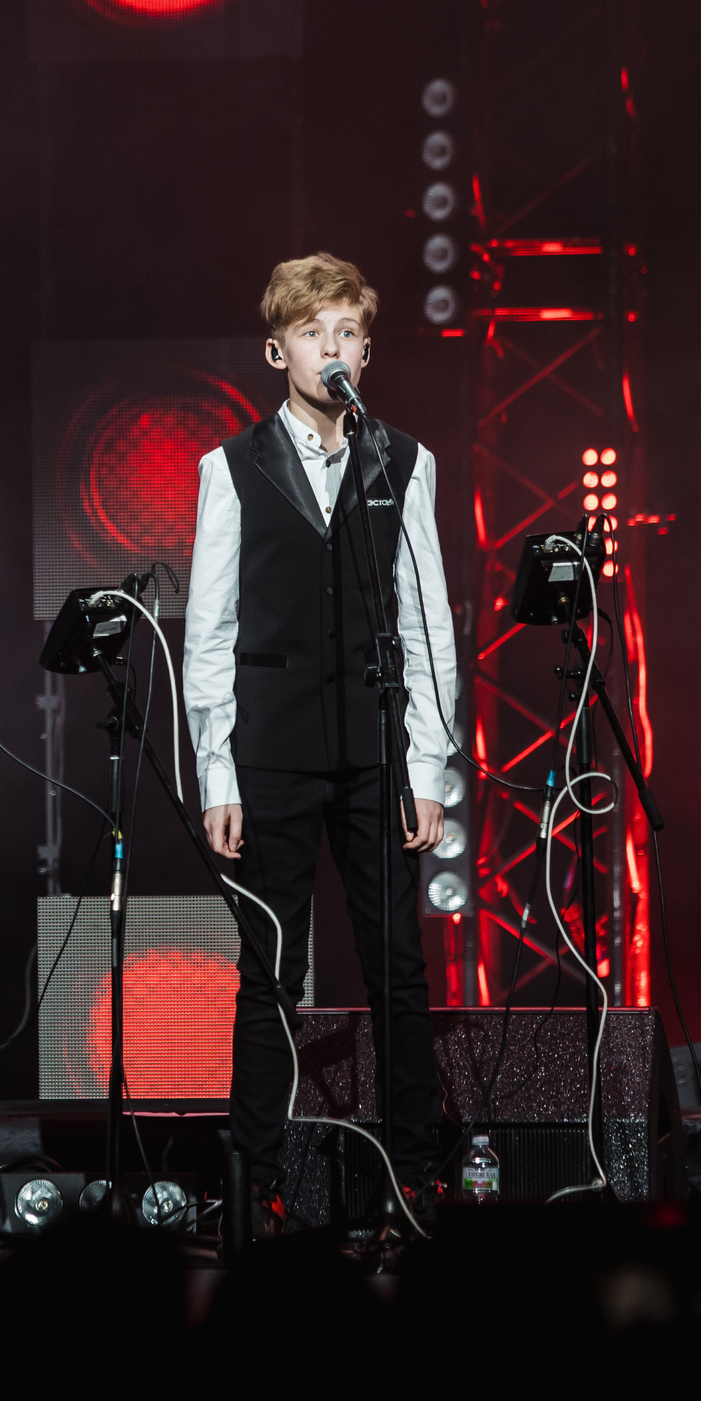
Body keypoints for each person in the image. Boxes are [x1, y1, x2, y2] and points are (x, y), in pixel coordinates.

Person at [184, 253, 458, 1234]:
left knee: (397, 965)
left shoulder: (401, 460)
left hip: (376, 752)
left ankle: (417, 1177)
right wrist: (217, 769)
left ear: (366, 349)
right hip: (270, 753)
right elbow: (207, 632)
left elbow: (426, 622)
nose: (329, 348)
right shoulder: (230, 468)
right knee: (269, 968)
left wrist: (426, 766)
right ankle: (256, 1185)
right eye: (311, 333)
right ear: (276, 349)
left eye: (345, 332)